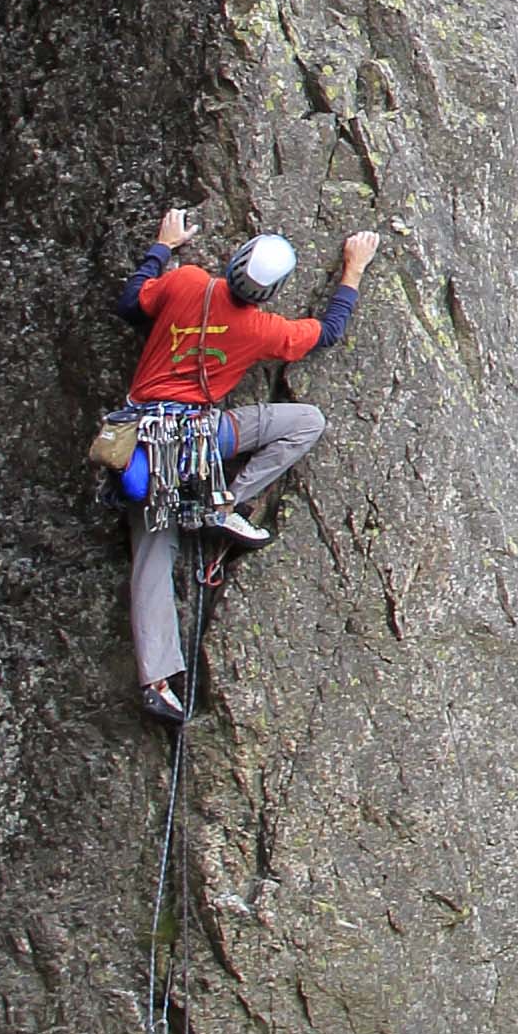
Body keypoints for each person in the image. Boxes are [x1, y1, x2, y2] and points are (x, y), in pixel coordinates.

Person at [112, 209, 382, 720]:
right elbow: (327, 333)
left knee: (152, 551)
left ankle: (155, 680)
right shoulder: (261, 329)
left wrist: (162, 246)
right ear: (270, 290)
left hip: (141, 442)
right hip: (201, 438)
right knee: (307, 421)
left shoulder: (186, 283)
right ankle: (225, 502)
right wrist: (353, 270)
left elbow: (131, 303)